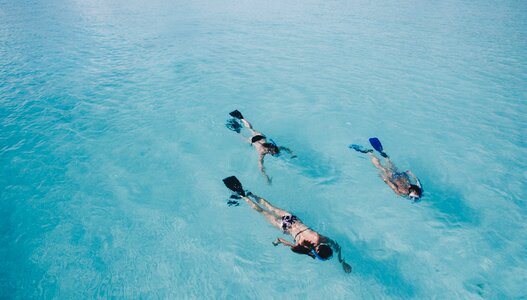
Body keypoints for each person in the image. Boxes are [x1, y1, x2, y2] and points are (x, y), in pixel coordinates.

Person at [222, 176, 352, 273]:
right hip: (285, 228)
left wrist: (340, 259)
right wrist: (278, 242)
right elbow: (287, 244)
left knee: (269, 207)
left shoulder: (320, 238)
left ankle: (250, 193)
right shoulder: (303, 247)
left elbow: (337, 246)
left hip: (293, 220)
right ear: (317, 252)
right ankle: (243, 196)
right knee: (261, 211)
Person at [226, 110, 295, 184]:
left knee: (251, 129)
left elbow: (284, 148)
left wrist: (292, 153)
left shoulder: (273, 146)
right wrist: (266, 177)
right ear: (271, 152)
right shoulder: (262, 152)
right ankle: (237, 130)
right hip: (253, 141)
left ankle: (241, 118)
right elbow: (260, 165)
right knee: (243, 137)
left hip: (261, 136)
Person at [349, 137, 422, 201]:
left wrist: (410, 173)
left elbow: (416, 180)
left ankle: (381, 153)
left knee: (388, 161)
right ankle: (370, 153)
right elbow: (392, 186)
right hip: (393, 176)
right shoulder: (401, 192)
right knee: (379, 166)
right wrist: (385, 179)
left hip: (399, 174)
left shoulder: (415, 188)